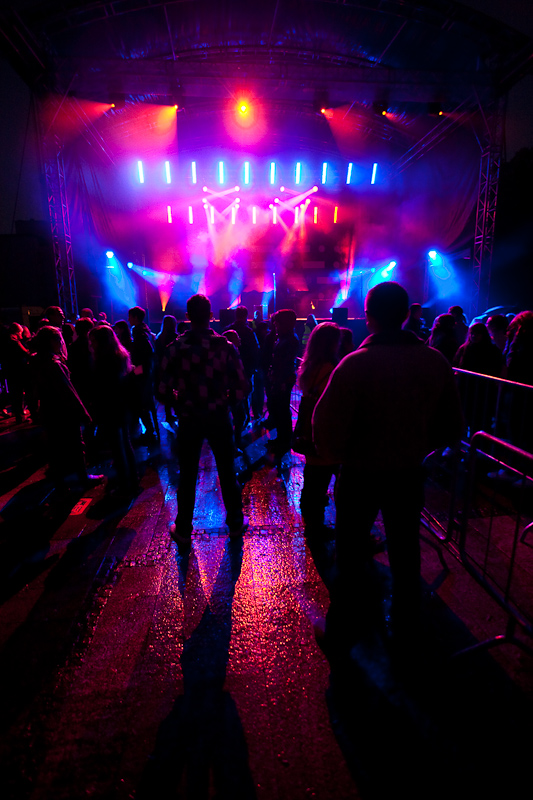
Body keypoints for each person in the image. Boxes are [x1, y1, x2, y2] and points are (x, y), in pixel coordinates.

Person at [313, 282, 463, 654]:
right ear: (406, 315)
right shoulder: (435, 361)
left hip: (361, 474)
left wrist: (338, 455)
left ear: (369, 316)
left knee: (349, 552)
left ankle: (343, 630)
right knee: (405, 549)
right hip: (408, 473)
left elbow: (325, 426)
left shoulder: (355, 364)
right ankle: (408, 628)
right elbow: (453, 426)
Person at [160, 294, 249, 547]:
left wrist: (180, 401)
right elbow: (243, 387)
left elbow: (162, 390)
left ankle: (184, 528)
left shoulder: (175, 349)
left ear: (187, 317)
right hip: (219, 417)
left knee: (187, 473)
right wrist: (226, 400)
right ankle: (234, 524)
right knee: (227, 470)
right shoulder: (225, 347)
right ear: (211, 316)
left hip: (189, 418)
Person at [297, 322, 341, 536]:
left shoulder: (309, 365)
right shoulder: (331, 368)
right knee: (323, 476)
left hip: (311, 428)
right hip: (327, 429)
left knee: (313, 474)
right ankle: (316, 527)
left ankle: (311, 518)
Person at [89, 325, 138, 497]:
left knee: (118, 448)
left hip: (110, 406)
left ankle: (125, 486)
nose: (91, 344)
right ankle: (132, 480)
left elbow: (103, 388)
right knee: (125, 443)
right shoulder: (120, 355)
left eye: (93, 340)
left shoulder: (104, 360)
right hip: (122, 405)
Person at [267, 308, 300, 465]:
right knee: (278, 409)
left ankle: (284, 441)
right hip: (280, 378)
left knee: (282, 409)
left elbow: (286, 363)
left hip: (283, 380)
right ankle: (281, 438)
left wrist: (280, 381)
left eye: (278, 322)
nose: (275, 324)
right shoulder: (284, 338)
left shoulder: (290, 340)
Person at [128, 306, 157, 442]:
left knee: (141, 403)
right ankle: (150, 431)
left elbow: (146, 355)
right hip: (147, 372)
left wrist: (136, 371)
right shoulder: (145, 331)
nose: (128, 320)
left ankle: (150, 432)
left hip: (143, 373)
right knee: (144, 403)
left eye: (130, 317)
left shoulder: (140, 333)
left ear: (135, 317)